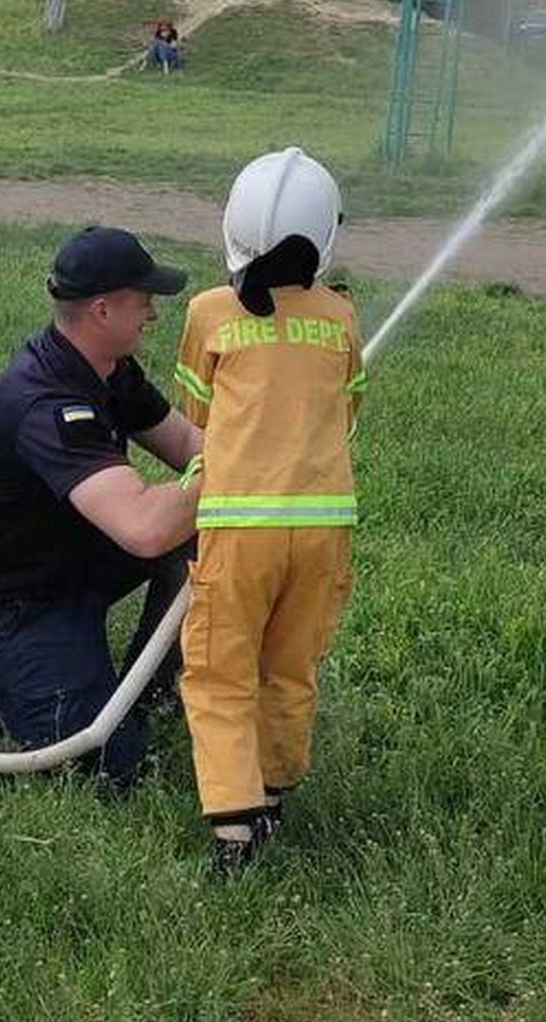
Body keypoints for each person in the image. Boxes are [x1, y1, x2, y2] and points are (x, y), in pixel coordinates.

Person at [0, 225, 204, 787]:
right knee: (111, 770)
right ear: (102, 310)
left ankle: (149, 695)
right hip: (8, 612)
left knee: (207, 533)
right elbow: (145, 529)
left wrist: (254, 440)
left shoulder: (106, 368)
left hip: (68, 568)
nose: (153, 314)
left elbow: (185, 446)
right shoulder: (47, 399)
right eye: (144, 300)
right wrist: (249, 469)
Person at [172, 148, 363, 879]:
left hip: (238, 529)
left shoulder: (209, 314)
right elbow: (348, 411)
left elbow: (197, 410)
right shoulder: (340, 315)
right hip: (323, 531)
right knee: (289, 666)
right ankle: (274, 793)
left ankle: (233, 830)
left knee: (221, 671)